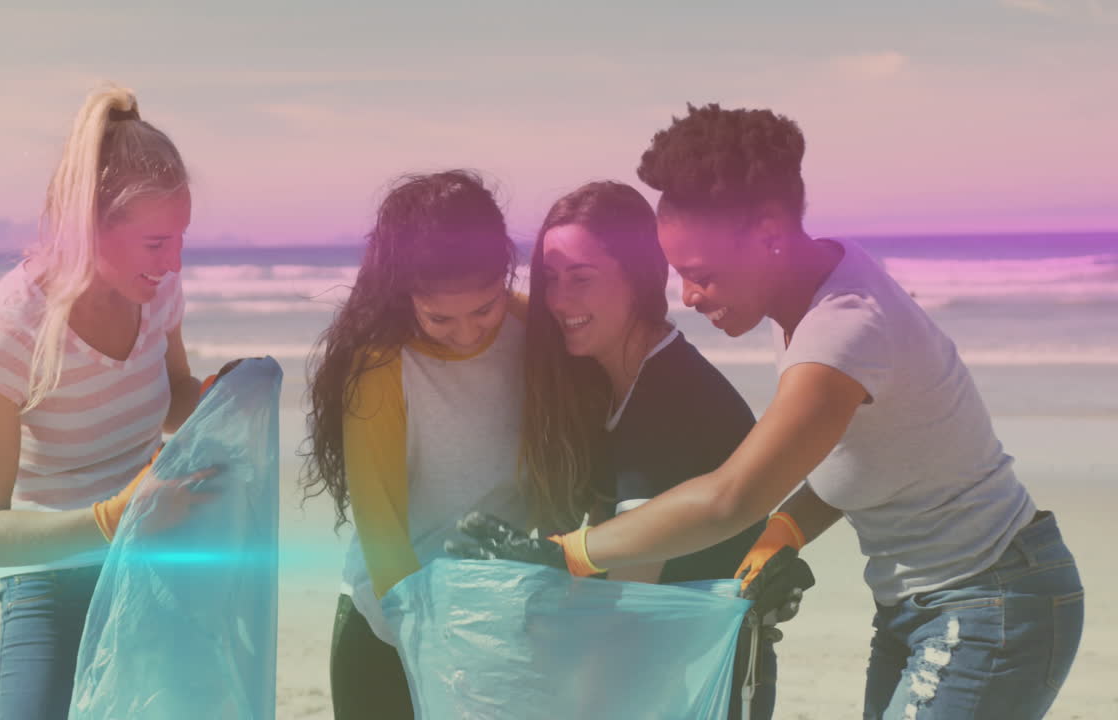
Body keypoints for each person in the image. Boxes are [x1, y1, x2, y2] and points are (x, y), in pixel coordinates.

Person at [456, 103, 1084, 720]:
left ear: (770, 237)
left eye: (702, 274)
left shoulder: (841, 333)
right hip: (919, 602)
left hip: (989, 600)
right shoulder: (820, 286)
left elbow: (731, 497)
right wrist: (788, 531)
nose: (688, 296)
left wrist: (568, 553)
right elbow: (880, 453)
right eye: (678, 272)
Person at [0, 85, 214, 719]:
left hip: (152, 555)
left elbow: (174, 397)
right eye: (156, 243)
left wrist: (223, 399)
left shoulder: (157, 293)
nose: (174, 261)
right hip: (47, 573)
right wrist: (107, 519)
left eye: (179, 238)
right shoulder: (11, 329)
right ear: (89, 227)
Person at [521, 179, 781, 719]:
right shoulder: (613, 384)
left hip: (705, 679)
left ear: (639, 277)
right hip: (666, 667)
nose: (559, 300)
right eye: (550, 280)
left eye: (581, 279)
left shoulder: (669, 398)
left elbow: (632, 594)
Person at [300, 170, 528, 719]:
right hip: (389, 628)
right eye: (440, 317)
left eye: (484, 309)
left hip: (503, 620)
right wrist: (435, 645)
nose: (468, 332)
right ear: (406, 295)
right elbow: (382, 531)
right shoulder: (382, 363)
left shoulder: (533, 330)